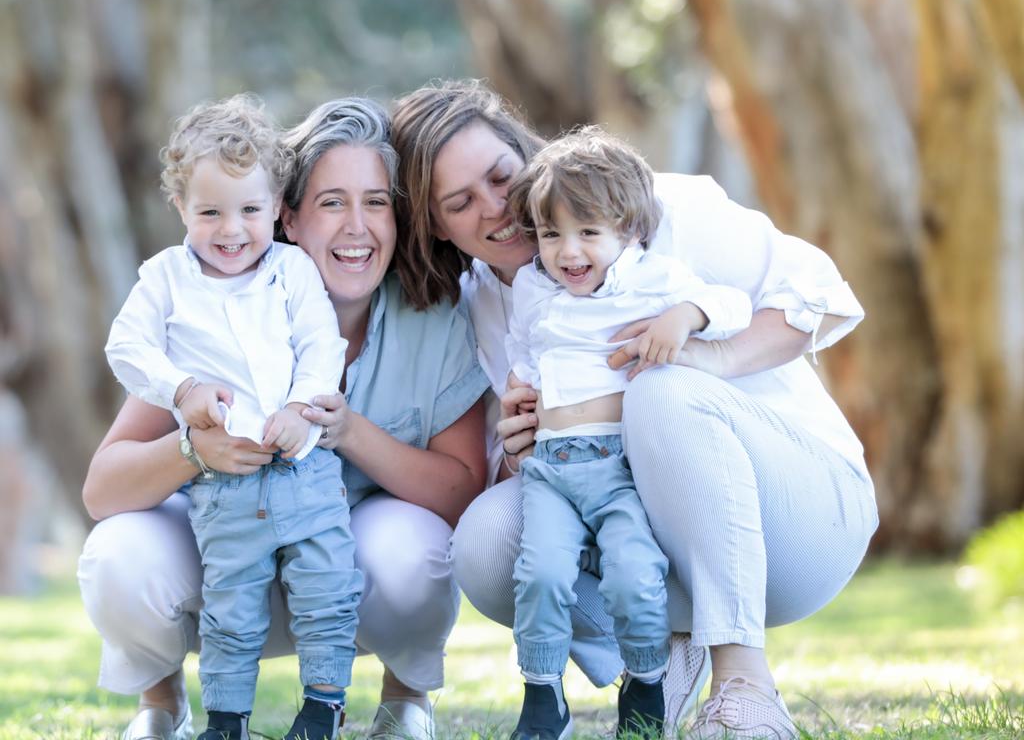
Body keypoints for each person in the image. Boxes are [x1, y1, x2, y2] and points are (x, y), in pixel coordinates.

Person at [391, 79, 879, 740]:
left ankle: (744, 685)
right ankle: (664, 651)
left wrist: (705, 361)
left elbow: (821, 291)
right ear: (437, 227)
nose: (496, 208)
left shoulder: (657, 208)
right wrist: (520, 444)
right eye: (459, 202)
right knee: (488, 540)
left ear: (524, 154)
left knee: (660, 389)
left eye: (501, 176)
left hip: (802, 517)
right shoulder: (484, 301)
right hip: (643, 528)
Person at [78, 96, 489, 740]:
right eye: (332, 202)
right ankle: (162, 706)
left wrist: (348, 430)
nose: (357, 227)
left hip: (342, 569)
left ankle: (403, 701)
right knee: (118, 555)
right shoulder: (204, 309)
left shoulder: (429, 320)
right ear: (289, 217)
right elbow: (102, 490)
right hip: (227, 551)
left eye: (377, 202)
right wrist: (193, 449)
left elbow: (463, 490)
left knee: (418, 549)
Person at [104, 94, 359, 740]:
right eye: (209, 212)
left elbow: (320, 343)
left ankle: (324, 704)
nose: (231, 230)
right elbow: (125, 346)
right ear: (181, 209)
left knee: (327, 588)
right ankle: (226, 718)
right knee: (231, 607)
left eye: (250, 210)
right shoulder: (166, 279)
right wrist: (180, 387)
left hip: (303, 469)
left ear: (277, 207)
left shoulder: (291, 270)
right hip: (224, 485)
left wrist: (304, 407)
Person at [502, 128, 752, 740]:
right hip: (551, 468)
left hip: (620, 471)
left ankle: (645, 683)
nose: (568, 251)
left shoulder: (654, 278)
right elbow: (524, 352)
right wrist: (522, 386)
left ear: (629, 230)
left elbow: (733, 306)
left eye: (588, 232)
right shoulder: (535, 288)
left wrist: (683, 317)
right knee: (539, 576)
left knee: (636, 575)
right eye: (552, 233)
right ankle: (542, 696)